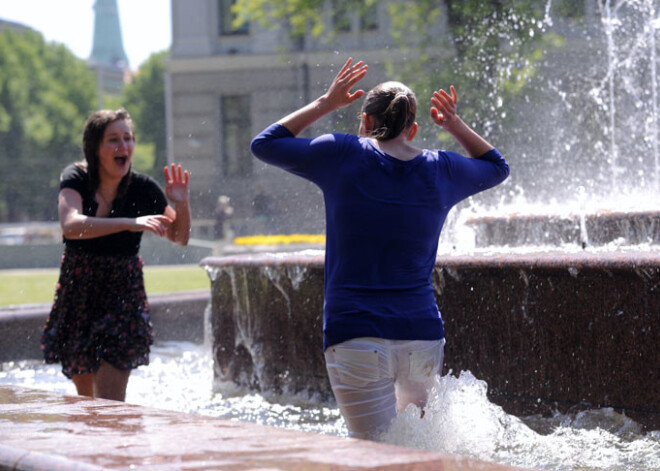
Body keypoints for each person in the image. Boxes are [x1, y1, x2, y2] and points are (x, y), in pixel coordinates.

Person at [250, 58, 510, 440]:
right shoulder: (442, 171)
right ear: (414, 128)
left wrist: (325, 103)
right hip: (422, 337)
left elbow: (265, 144)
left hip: (355, 337)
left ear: (366, 123)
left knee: (374, 459)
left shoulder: (341, 154)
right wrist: (454, 124)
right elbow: (496, 166)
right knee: (420, 458)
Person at [41, 108, 192, 402]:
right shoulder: (76, 177)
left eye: (128, 138)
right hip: (79, 292)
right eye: (113, 140)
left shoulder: (143, 188)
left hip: (123, 294)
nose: (123, 147)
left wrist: (182, 204)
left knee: (110, 403)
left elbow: (180, 237)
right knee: (87, 405)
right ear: (95, 148)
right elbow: (70, 226)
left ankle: (115, 446)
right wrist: (129, 223)